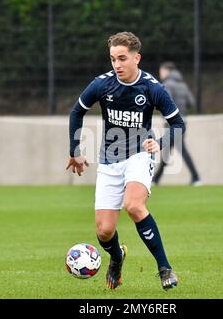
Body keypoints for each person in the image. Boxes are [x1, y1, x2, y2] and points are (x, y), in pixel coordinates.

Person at [66, 32, 184, 290]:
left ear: (136, 58)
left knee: (133, 206)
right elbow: (77, 112)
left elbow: (178, 124)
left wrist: (160, 143)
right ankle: (117, 257)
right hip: (109, 161)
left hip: (139, 155)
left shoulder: (152, 88)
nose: (117, 65)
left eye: (122, 58)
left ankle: (164, 268)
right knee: (104, 232)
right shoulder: (102, 84)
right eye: (112, 59)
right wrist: (75, 151)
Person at [152, 62, 202, 186]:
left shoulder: (167, 84)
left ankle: (196, 178)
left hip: (172, 123)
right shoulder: (183, 85)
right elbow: (191, 102)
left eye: (162, 71)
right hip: (183, 122)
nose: (160, 73)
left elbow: (165, 102)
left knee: (179, 150)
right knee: (168, 151)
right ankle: (156, 180)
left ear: (167, 71)